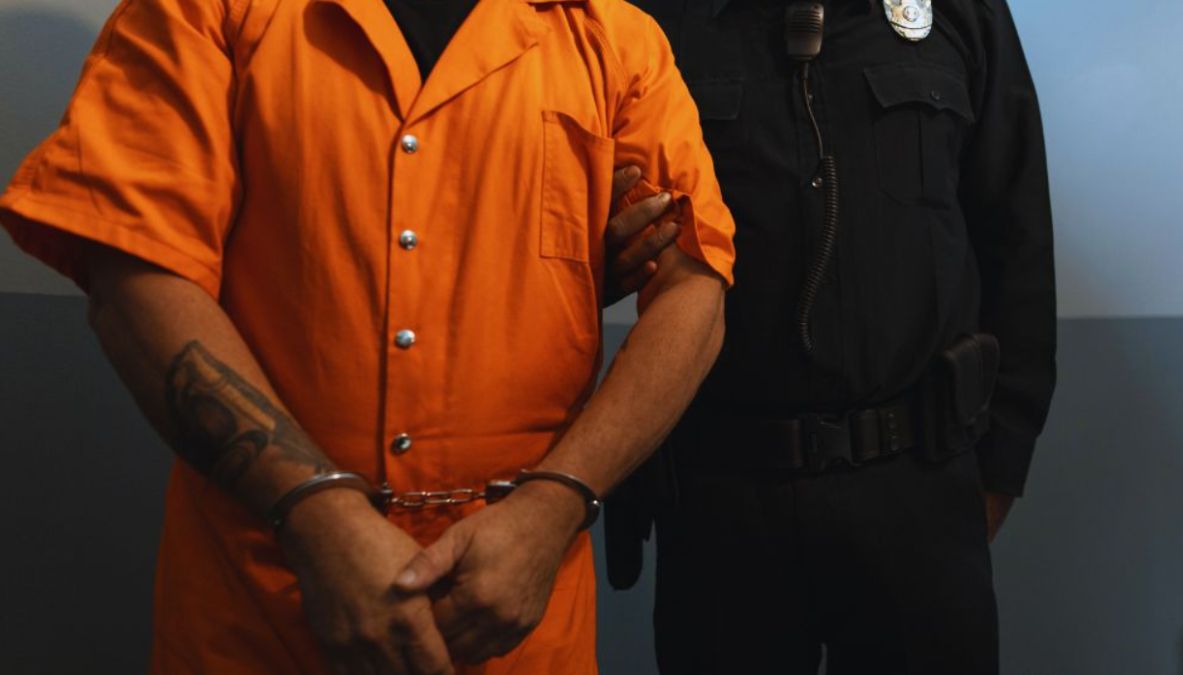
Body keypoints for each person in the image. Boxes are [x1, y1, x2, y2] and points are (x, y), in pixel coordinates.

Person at [0, 0, 735, 672]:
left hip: (517, 622)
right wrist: (316, 513)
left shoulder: (613, 37)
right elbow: (134, 272)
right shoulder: (210, 10)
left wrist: (553, 509)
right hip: (258, 614)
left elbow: (695, 290)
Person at [603, 0, 1057, 673]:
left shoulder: (963, 12)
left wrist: (995, 473)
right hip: (723, 504)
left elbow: (1016, 243)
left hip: (919, 493)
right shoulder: (647, 24)